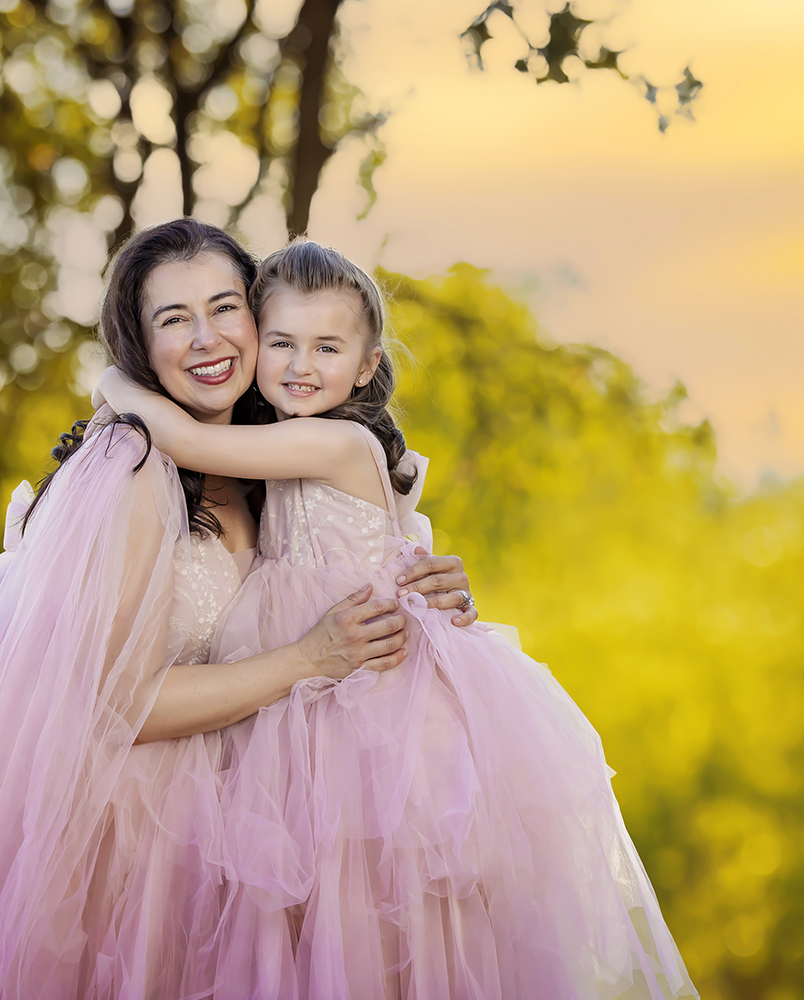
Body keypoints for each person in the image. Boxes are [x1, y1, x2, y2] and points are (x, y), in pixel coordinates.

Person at [0, 220, 480, 999]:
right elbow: (116, 704)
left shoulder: (276, 450)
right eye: (174, 320)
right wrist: (310, 658)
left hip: (269, 827)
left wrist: (427, 587)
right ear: (139, 346)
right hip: (131, 837)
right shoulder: (133, 467)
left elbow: (357, 545)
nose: (208, 339)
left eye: (224, 307)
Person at [94, 239, 700, 999]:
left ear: (368, 363)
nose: (298, 364)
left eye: (324, 347)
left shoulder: (335, 440)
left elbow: (192, 439)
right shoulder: (266, 450)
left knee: (376, 908)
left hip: (367, 712)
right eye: (282, 342)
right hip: (305, 711)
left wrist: (116, 379)